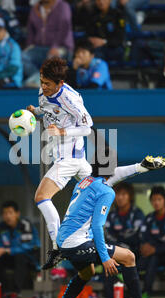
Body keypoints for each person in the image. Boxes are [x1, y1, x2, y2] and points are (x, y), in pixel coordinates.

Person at [56, 156, 165, 298]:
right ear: (111, 170)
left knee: (87, 273)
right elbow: (97, 226)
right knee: (129, 257)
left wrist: (141, 167)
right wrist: (105, 258)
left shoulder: (84, 182)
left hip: (63, 242)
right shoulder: (107, 192)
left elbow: (114, 175)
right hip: (78, 243)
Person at [26, 57, 94, 270]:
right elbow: (48, 111)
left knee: (41, 196)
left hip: (70, 159)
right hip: (71, 161)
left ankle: (58, 245)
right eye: (41, 81)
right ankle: (86, 254)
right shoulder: (43, 92)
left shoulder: (71, 98)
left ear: (60, 84)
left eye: (47, 84)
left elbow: (87, 128)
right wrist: (34, 113)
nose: (43, 86)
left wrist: (63, 131)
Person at [0, 201, 40, 298]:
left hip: (29, 258)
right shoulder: (0, 228)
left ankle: (15, 292)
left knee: (20, 257)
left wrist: (7, 250)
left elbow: (27, 247)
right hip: (9, 258)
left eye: (10, 212)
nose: (7, 216)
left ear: (17, 214)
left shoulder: (25, 225)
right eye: (5, 213)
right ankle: (1, 292)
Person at [103, 182, 145, 298]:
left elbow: (136, 236)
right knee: (108, 266)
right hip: (114, 254)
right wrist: (120, 243)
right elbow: (106, 235)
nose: (120, 197)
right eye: (117, 194)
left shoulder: (137, 214)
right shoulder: (111, 215)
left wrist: (120, 241)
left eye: (123, 194)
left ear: (130, 196)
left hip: (134, 254)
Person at [22, 0, 74, 87]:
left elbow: (63, 28)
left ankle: (48, 83)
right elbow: (30, 30)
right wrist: (29, 45)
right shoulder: (35, 9)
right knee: (22, 56)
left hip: (62, 47)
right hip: (40, 47)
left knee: (53, 58)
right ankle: (38, 78)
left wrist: (55, 46)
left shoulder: (63, 6)